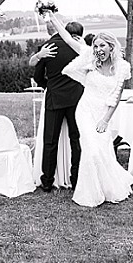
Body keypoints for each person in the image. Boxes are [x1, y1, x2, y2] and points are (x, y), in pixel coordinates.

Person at [41, 10, 133, 206]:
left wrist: (105, 120)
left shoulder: (121, 68)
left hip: (103, 113)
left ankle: (106, 186)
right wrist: (53, 18)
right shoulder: (89, 58)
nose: (98, 49)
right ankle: (89, 192)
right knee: (91, 150)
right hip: (84, 110)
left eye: (102, 45)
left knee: (102, 150)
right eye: (95, 45)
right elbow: (68, 39)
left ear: (111, 47)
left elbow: (116, 98)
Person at [33, 16, 84, 192]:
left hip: (54, 98)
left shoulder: (46, 47)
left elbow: (37, 76)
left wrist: (48, 86)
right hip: (77, 99)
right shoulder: (79, 47)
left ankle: (47, 180)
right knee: (76, 140)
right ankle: (76, 179)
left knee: (50, 141)